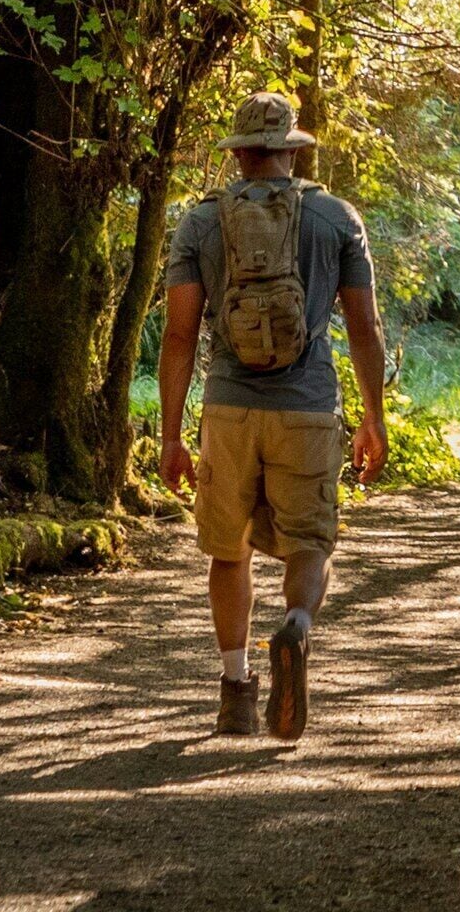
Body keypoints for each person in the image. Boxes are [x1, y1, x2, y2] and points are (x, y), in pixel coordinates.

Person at [159, 92, 390, 739]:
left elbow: (178, 336)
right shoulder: (334, 218)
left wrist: (172, 435)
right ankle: (296, 628)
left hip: (228, 411)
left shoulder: (200, 224)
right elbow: (364, 326)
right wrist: (373, 417)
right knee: (309, 541)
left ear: (238, 156)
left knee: (228, 551)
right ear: (292, 150)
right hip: (309, 409)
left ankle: (235, 690)